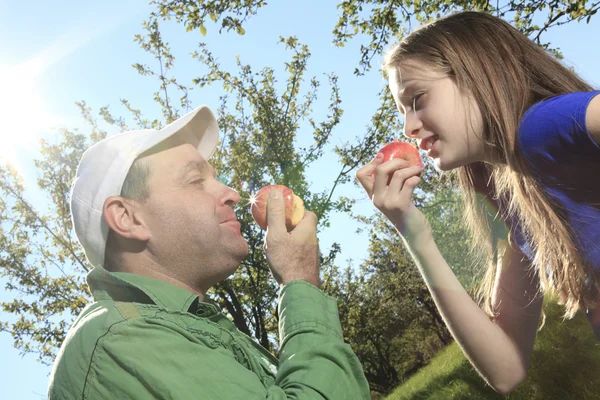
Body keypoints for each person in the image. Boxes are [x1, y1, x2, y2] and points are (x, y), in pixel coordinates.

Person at [48, 105, 370, 399]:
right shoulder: (121, 340)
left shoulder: (184, 331)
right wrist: (299, 279)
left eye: (215, 178)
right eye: (194, 180)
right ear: (128, 218)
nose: (232, 193)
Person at [356, 11, 600, 395]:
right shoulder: (519, 202)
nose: (408, 127)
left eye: (416, 99)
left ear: (477, 75)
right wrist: (413, 233)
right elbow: (505, 369)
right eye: (402, 110)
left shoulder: (540, 129)